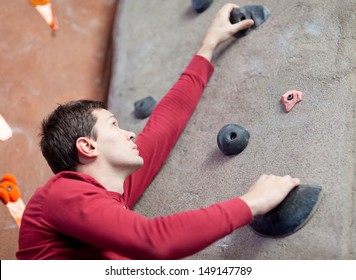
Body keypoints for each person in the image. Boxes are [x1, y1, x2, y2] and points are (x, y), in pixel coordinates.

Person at [17, 3, 299, 260]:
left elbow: (165, 124)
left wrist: (209, 45)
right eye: (114, 125)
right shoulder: (61, 195)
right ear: (88, 147)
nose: (129, 134)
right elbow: (156, 240)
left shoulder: (111, 194)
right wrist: (251, 203)